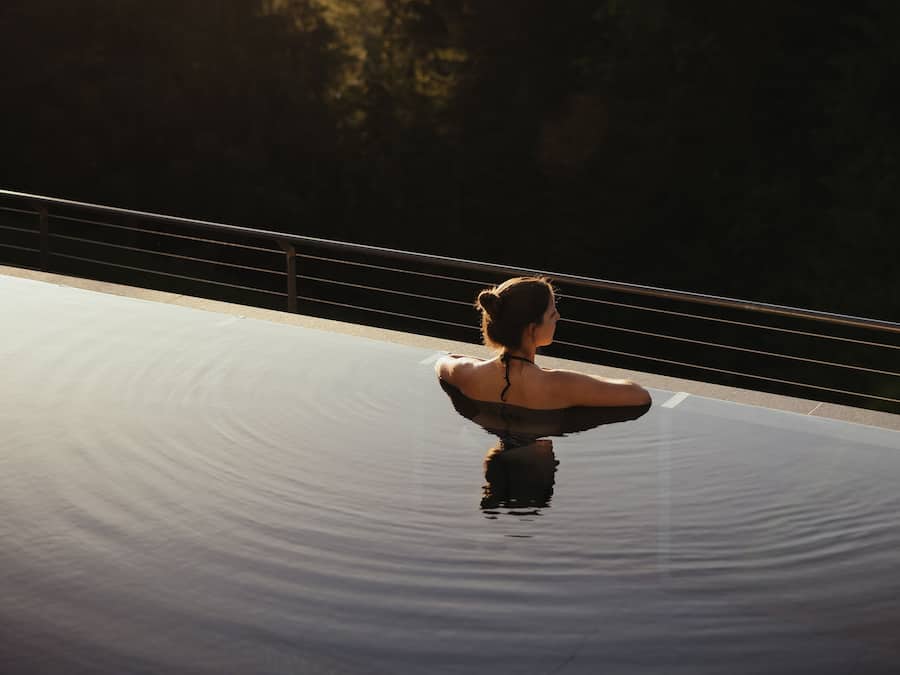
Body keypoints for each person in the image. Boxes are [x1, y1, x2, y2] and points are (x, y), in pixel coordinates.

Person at [435, 276, 651, 409]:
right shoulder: (561, 385)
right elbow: (639, 395)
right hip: (535, 470)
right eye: (551, 313)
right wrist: (577, 377)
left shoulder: (469, 373)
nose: (558, 316)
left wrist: (490, 364)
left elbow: (443, 362)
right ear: (532, 329)